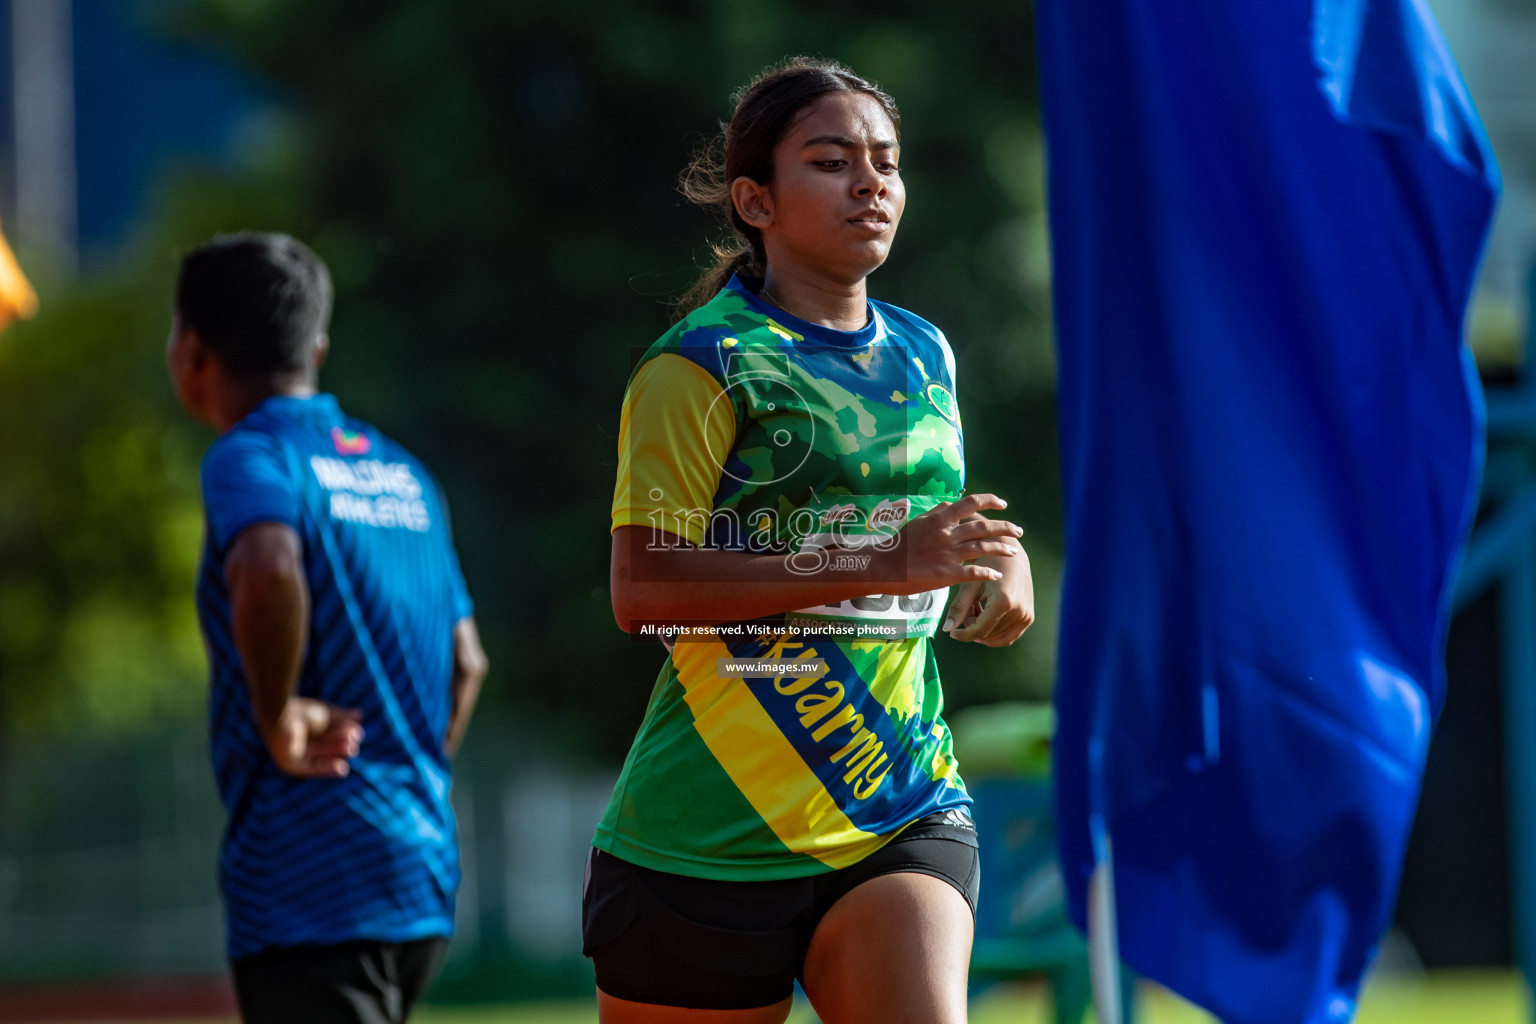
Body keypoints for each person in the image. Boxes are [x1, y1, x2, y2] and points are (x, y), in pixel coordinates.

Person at [589, 59, 1035, 1024]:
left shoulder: (926, 352)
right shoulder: (698, 364)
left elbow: (939, 529)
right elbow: (643, 590)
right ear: (754, 199)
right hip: (705, 833)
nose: (871, 182)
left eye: (886, 161)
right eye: (833, 162)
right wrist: (879, 565)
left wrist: (1005, 564)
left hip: (897, 798)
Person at [166, 232, 488, 1024]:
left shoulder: (251, 456)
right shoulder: (405, 475)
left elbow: (269, 565)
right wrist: (402, 778)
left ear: (192, 351)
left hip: (309, 876)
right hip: (419, 875)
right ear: (317, 345)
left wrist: (278, 720)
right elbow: (468, 661)